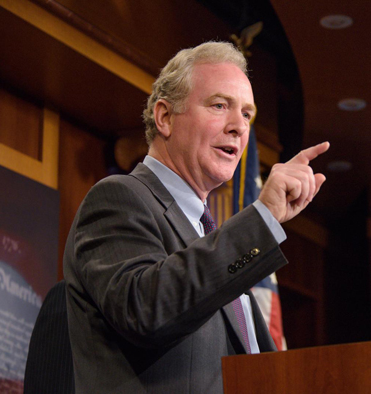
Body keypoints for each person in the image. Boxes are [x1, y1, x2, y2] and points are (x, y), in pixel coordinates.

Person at [63, 41, 329, 393]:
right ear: (164, 117)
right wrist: (261, 219)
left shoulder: (208, 237)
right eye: (220, 105)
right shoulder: (119, 199)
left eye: (247, 114)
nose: (239, 126)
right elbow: (145, 310)